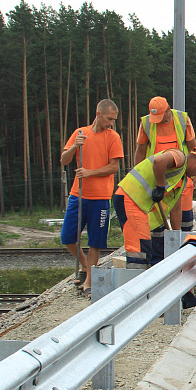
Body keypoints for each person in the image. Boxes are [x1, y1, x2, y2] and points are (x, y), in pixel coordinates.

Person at [60, 99, 123, 298]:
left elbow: (114, 167)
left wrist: (90, 172)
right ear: (98, 113)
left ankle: (89, 283)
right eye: (109, 118)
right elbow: (64, 160)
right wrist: (73, 147)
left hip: (101, 197)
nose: (111, 123)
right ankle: (86, 267)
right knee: (68, 237)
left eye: (114, 119)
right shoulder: (80, 133)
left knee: (95, 241)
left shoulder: (113, 137)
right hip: (78, 195)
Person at [113, 147, 196, 268]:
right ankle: (134, 281)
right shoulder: (179, 157)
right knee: (139, 250)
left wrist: (176, 237)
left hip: (136, 203)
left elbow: (176, 209)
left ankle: (139, 280)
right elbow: (159, 161)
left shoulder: (181, 178)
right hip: (130, 197)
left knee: (145, 247)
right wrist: (160, 187)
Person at [134, 96, 196, 236]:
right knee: (157, 221)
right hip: (156, 176)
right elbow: (140, 151)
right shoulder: (147, 123)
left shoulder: (182, 119)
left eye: (161, 117)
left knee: (182, 215)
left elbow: (193, 148)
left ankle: (179, 243)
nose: (159, 121)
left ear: (168, 110)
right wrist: (139, 177)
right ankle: (160, 249)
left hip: (179, 175)